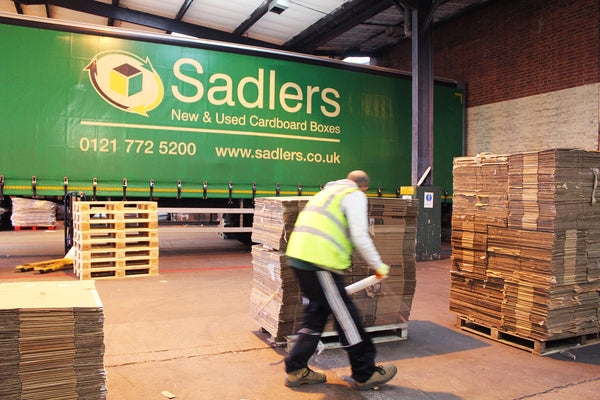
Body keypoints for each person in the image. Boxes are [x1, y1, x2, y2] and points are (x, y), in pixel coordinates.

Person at [284, 170, 397, 391]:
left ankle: (296, 369)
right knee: (347, 317)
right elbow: (360, 234)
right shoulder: (354, 195)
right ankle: (365, 373)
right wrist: (378, 265)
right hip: (321, 263)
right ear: (364, 187)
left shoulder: (327, 192)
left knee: (315, 317)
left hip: (299, 258)